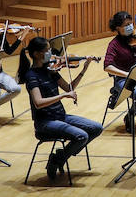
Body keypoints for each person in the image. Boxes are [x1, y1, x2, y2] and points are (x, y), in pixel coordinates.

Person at [18, 36, 103, 181]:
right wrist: (63, 96)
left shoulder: (50, 70)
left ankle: (59, 156)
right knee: (82, 136)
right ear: (38, 54)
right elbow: (38, 102)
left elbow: (69, 87)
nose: (51, 53)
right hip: (45, 122)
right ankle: (57, 160)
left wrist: (84, 69)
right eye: (47, 50)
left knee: (97, 128)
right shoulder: (31, 76)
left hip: (60, 117)